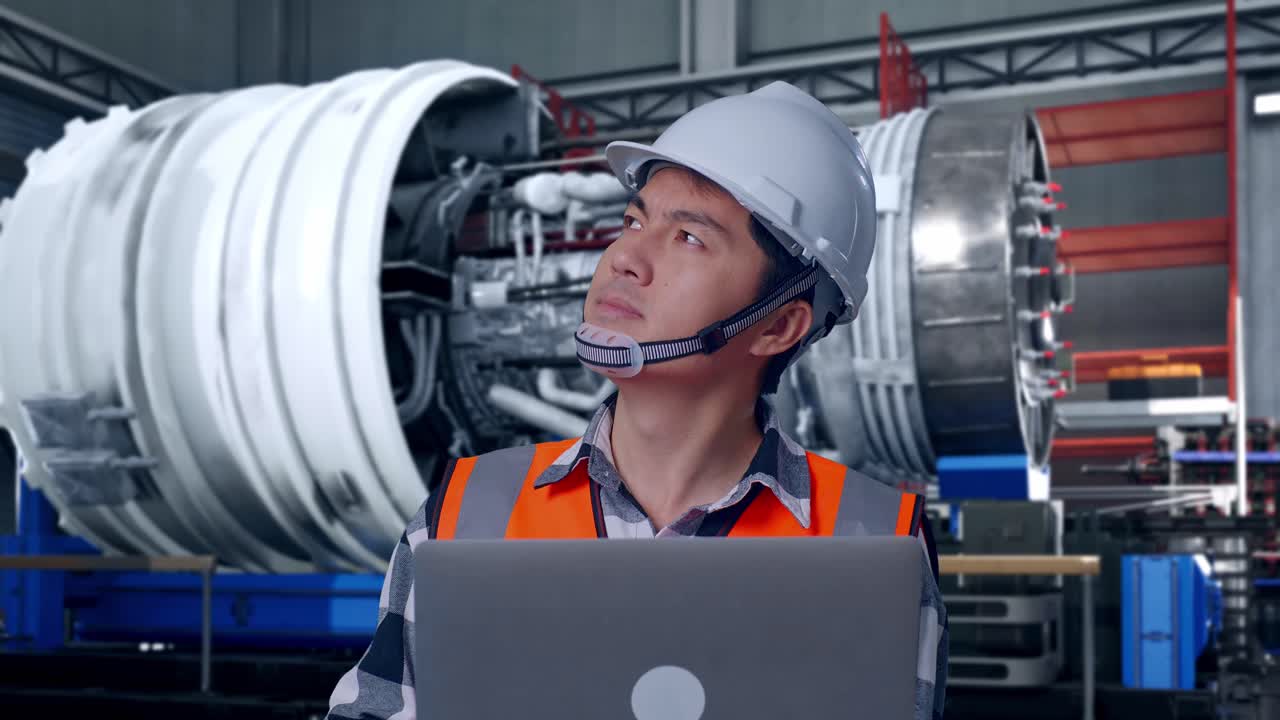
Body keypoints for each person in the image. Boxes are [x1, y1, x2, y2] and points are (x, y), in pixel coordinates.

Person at [327, 81, 948, 720]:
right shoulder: (463, 514)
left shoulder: (876, 542)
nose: (625, 256)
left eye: (688, 238)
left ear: (778, 326)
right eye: (634, 220)